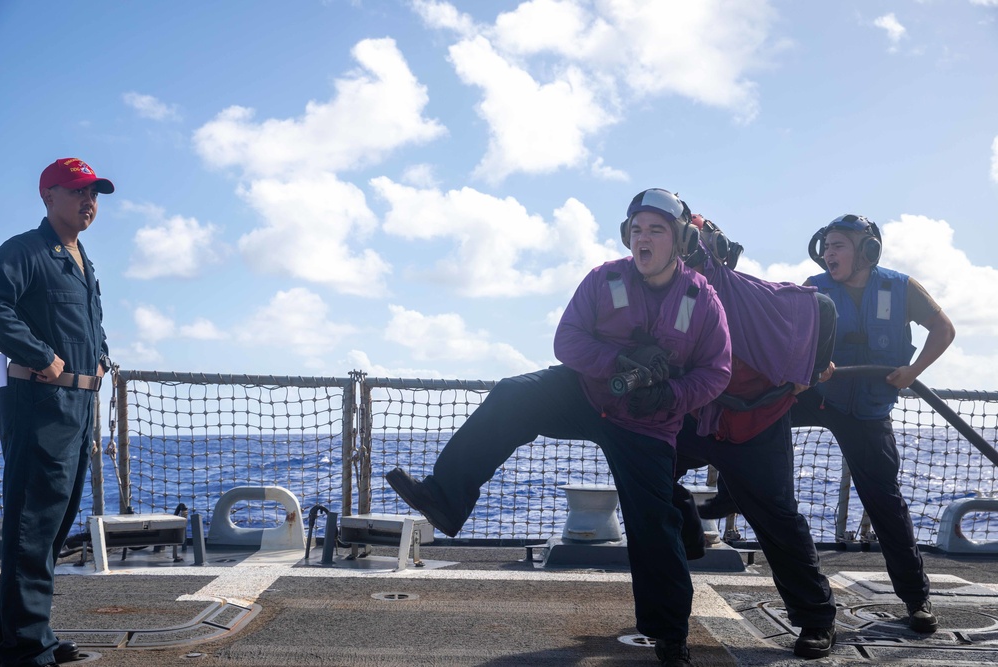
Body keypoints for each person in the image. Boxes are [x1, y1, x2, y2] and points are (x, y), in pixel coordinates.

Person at [387, 188, 732, 667]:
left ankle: (670, 636)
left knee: (653, 526)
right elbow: (566, 340)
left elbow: (717, 372)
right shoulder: (604, 279)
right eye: (636, 230)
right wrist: (618, 360)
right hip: (589, 395)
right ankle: (445, 496)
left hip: (649, 421)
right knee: (513, 395)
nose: (643, 239)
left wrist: (670, 395)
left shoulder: (703, 299)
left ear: (680, 240)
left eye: (656, 230)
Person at [671, 214, 839, 658]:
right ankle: (688, 530)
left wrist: (811, 370)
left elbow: (821, 306)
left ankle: (817, 619)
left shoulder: (755, 297)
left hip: (757, 421)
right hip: (696, 414)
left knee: (778, 518)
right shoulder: (670, 302)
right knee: (644, 472)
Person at [791, 214, 956, 634]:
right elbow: (789, 339)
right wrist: (811, 365)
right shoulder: (812, 288)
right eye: (826, 245)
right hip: (820, 399)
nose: (829, 252)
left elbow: (944, 328)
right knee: (754, 429)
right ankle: (726, 500)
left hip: (868, 413)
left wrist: (913, 370)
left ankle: (917, 600)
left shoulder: (901, 287)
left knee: (885, 502)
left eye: (839, 245)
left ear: (867, 251)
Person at [0, 158, 115, 667]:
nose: (89, 202)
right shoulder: (25, 251)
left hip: (78, 406)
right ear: (48, 197)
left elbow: (87, 323)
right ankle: (24, 649)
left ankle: (30, 635)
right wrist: (41, 355)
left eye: (94, 194)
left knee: (54, 524)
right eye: (78, 192)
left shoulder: (81, 259)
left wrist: (102, 354)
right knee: (31, 527)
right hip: (40, 405)